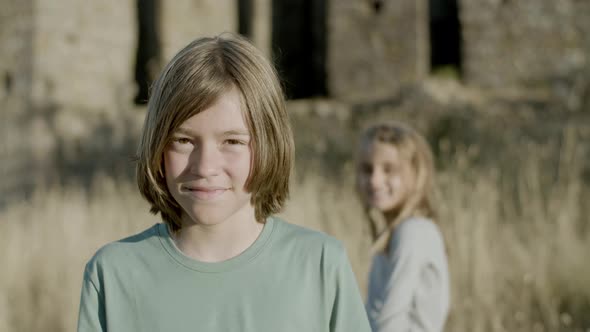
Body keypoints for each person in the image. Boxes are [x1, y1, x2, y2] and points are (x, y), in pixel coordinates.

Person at [77, 33, 371, 332]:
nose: (205, 166)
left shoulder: (320, 265)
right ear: (158, 145)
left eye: (232, 141)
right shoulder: (113, 274)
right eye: (183, 140)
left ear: (270, 142)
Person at [355, 122, 450, 332]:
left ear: (416, 173)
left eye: (389, 170)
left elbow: (391, 319)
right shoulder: (394, 233)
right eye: (367, 169)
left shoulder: (413, 232)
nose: (375, 180)